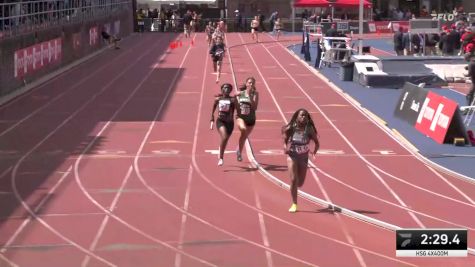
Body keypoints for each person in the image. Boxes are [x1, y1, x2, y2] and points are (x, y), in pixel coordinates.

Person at [282, 109, 320, 213]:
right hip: (292, 156)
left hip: (303, 158)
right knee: (294, 180)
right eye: (302, 115)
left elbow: (317, 143)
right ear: (297, 117)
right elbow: (285, 140)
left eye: (306, 116)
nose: (304, 117)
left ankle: (294, 187)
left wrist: (314, 152)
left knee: (300, 183)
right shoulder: (291, 128)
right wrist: (285, 147)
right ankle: (294, 203)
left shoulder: (309, 129)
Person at [210, 83, 236, 166]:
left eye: (228, 88)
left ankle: (221, 149)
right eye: (225, 88)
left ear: (230, 90)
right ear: (222, 89)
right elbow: (213, 109)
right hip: (220, 121)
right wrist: (212, 118)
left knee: (225, 140)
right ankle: (221, 158)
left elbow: (237, 109)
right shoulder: (218, 99)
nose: (227, 89)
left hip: (230, 123)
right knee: (224, 137)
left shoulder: (233, 100)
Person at [235, 77, 259, 162]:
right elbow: (234, 103)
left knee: (243, 136)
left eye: (252, 83)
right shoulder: (240, 93)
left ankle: (239, 152)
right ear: (246, 83)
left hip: (251, 119)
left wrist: (250, 97)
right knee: (243, 129)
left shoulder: (255, 94)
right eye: (249, 82)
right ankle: (239, 151)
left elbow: (255, 107)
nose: (251, 84)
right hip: (241, 117)